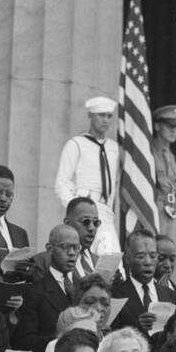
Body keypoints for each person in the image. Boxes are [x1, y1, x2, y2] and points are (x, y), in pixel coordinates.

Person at [54, 96, 121, 254]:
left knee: (111, 260)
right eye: (101, 115)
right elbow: (62, 183)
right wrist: (77, 209)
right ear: (91, 116)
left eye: (109, 116)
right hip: (85, 210)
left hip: (106, 213)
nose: (105, 120)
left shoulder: (114, 149)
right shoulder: (76, 144)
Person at [13, 224, 81, 352]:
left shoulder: (83, 288)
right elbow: (23, 342)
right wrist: (60, 340)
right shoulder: (35, 291)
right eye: (65, 247)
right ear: (49, 249)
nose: (72, 253)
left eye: (76, 247)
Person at [108, 229, 176, 341]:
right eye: (140, 256)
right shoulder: (115, 294)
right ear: (127, 259)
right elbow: (109, 335)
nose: (148, 262)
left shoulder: (170, 295)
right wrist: (135, 326)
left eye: (153, 256)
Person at [151, 105, 176, 278]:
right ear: (157, 126)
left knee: (170, 264)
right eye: (169, 126)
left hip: (173, 213)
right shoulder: (148, 154)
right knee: (151, 259)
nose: (174, 131)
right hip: (154, 210)